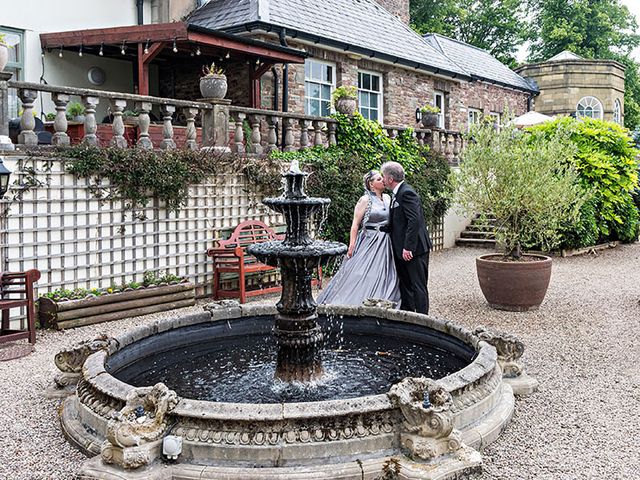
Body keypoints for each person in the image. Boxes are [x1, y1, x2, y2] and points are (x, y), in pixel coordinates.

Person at [317, 170, 401, 306]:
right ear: (371, 184)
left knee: (386, 273)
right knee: (361, 272)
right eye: (379, 179)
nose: (383, 181)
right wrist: (352, 245)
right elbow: (355, 224)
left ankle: (383, 301)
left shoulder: (387, 198)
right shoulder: (365, 199)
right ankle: (355, 300)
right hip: (369, 240)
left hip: (386, 241)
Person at [380, 161, 432, 314]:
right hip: (401, 249)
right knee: (405, 284)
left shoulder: (407, 193)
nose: (382, 179)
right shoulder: (396, 194)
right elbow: (398, 221)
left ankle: (423, 319)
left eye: (383, 176)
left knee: (418, 285)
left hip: (414, 249)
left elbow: (414, 220)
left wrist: (408, 247)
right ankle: (408, 315)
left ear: (390, 179)